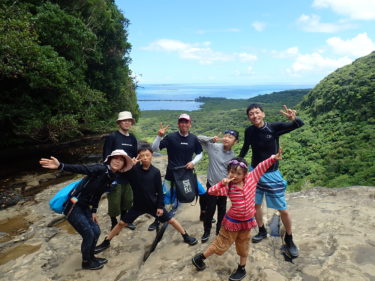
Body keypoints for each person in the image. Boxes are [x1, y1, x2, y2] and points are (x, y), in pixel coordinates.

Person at [192, 150, 282, 281]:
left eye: (239, 173)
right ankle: (200, 258)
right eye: (232, 172)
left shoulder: (252, 178)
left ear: (245, 173)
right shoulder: (228, 186)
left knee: (243, 244)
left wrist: (273, 158)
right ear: (228, 171)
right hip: (232, 222)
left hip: (247, 222)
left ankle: (242, 268)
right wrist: (222, 183)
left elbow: (261, 166)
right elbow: (211, 191)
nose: (235, 175)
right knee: (221, 243)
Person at [94, 144, 197, 253]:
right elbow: (120, 177)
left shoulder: (155, 172)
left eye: (147, 155)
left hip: (153, 204)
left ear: (152, 155)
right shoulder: (133, 170)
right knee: (121, 223)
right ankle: (106, 241)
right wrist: (130, 167)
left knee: (171, 220)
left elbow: (160, 191)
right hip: (138, 206)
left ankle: (185, 235)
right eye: (142, 155)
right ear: (139, 156)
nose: (145, 157)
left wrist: (160, 206)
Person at [39, 150, 133, 270]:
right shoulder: (100, 169)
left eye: (121, 160)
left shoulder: (112, 176)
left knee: (96, 231)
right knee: (88, 234)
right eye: (116, 158)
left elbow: (98, 193)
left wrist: (94, 210)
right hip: (73, 205)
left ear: (123, 165)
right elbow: (83, 168)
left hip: (84, 207)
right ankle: (86, 262)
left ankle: (91, 257)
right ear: (110, 159)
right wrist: (61, 166)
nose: (117, 161)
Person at [239, 104, 304, 258]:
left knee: (283, 209)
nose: (255, 116)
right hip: (255, 172)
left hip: (271, 174)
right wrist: (238, 164)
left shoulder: (273, 128)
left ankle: (289, 237)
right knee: (255, 205)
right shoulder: (249, 131)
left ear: (263, 114)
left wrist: (294, 118)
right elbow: (245, 148)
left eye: (257, 113)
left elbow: (298, 125)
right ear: (248, 117)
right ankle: (261, 230)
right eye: (251, 114)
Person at [148, 113, 203, 231]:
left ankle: (203, 214)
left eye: (186, 122)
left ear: (190, 124)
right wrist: (159, 136)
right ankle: (157, 220)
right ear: (178, 124)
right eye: (181, 122)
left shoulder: (193, 138)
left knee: (203, 192)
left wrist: (193, 162)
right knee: (164, 197)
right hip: (171, 174)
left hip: (187, 173)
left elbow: (200, 153)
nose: (184, 124)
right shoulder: (171, 137)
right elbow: (154, 148)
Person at [197, 129, 238, 243]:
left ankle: (219, 232)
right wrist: (211, 138)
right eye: (225, 136)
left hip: (224, 188)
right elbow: (198, 138)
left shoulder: (233, 157)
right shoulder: (214, 146)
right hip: (212, 185)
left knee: (222, 211)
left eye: (230, 137)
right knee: (209, 210)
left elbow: (232, 173)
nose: (226, 138)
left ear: (235, 141)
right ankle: (206, 231)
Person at [103, 111, 138, 231]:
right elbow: (106, 157)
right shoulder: (113, 137)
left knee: (127, 200)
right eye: (124, 120)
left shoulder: (132, 138)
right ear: (119, 122)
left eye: (129, 120)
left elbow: (134, 154)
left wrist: (134, 161)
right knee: (114, 201)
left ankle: (124, 220)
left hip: (128, 176)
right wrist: (109, 174)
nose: (127, 122)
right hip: (114, 176)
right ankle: (113, 222)